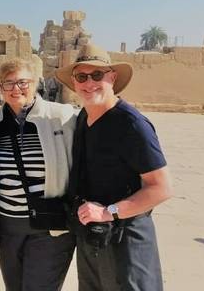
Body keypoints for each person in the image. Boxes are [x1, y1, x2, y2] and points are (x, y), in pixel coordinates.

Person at [55, 44, 172, 291]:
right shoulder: (83, 118)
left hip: (126, 240)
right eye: (82, 76)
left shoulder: (131, 124)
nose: (89, 83)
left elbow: (161, 188)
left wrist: (109, 212)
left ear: (112, 77)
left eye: (97, 75)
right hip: (93, 237)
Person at [0, 57, 77, 291]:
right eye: (8, 83)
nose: (15, 89)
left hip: (50, 226)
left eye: (22, 82)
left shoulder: (61, 116)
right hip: (8, 226)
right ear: (0, 88)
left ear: (36, 83)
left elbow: (80, 163)